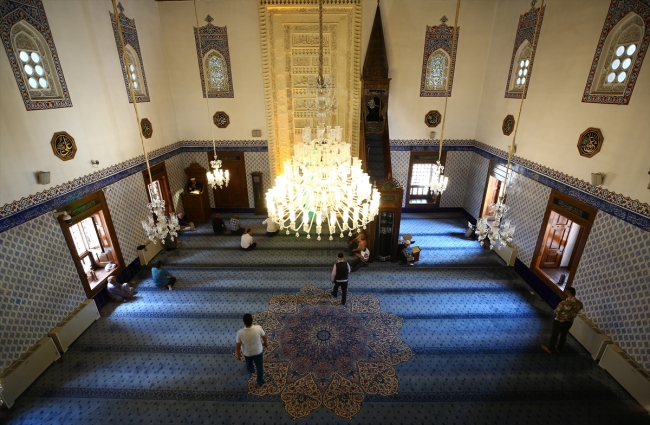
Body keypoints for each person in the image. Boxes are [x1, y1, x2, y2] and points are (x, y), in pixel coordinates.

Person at [542, 287, 584, 354]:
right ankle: (559, 349)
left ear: (567, 293)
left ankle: (550, 349)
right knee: (563, 335)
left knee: (555, 335)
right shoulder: (579, 303)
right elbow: (579, 309)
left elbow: (556, 311)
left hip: (559, 321)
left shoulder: (564, 303)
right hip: (569, 322)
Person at [235, 313, 268, 388]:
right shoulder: (258, 328)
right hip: (258, 351)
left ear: (244, 322)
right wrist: (265, 343)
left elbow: (238, 344)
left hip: (247, 353)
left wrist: (238, 353)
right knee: (259, 366)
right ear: (252, 320)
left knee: (249, 362)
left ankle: (251, 369)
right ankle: (260, 381)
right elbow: (264, 336)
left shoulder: (240, 333)